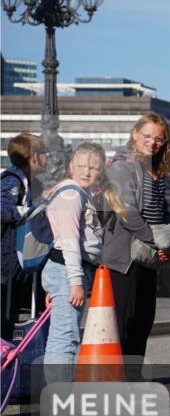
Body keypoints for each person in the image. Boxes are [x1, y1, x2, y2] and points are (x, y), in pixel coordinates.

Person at [42, 143, 123, 379]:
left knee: (62, 336)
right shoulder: (71, 195)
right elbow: (68, 242)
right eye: (81, 166)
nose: (87, 172)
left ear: (100, 172)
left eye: (93, 168)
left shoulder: (75, 192)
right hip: (67, 272)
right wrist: (74, 282)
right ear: (71, 166)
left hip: (63, 272)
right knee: (65, 339)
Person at [102, 113, 170, 374]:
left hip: (147, 255)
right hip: (124, 258)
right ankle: (115, 381)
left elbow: (162, 213)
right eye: (147, 136)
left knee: (143, 321)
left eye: (159, 139)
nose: (153, 143)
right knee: (123, 323)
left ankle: (132, 378)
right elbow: (126, 212)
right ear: (134, 134)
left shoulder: (154, 169)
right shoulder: (121, 166)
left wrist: (167, 244)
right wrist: (155, 241)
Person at [1, 134, 47, 340]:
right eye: (44, 153)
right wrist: (30, 211)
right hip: (7, 263)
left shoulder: (32, 182)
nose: (47, 157)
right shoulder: (13, 180)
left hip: (19, 262)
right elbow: (2, 209)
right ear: (34, 157)